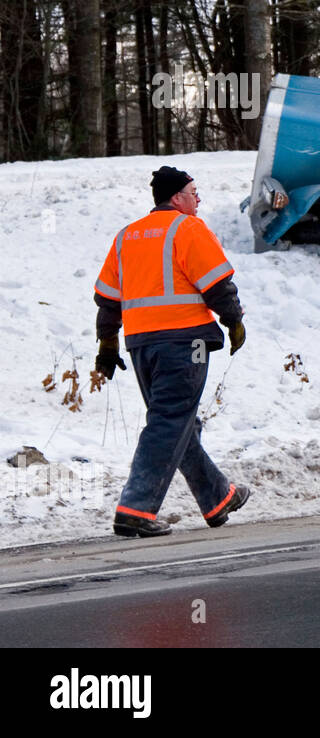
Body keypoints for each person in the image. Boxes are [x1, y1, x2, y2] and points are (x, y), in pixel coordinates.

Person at [93, 166, 251, 538]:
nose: (199, 200)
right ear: (177, 198)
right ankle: (136, 509)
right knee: (168, 422)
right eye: (194, 192)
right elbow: (216, 284)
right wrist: (233, 320)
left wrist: (107, 342)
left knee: (176, 422)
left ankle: (218, 497)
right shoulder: (188, 229)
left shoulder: (126, 236)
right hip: (184, 342)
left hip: (141, 345)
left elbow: (107, 301)